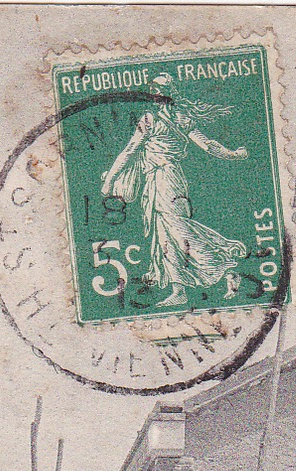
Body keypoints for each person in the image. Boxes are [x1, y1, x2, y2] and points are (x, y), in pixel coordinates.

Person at [100, 73, 251, 308]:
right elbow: (208, 145)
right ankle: (179, 289)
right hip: (165, 179)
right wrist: (232, 154)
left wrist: (109, 181)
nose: (155, 94)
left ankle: (224, 267)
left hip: (164, 179)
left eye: (157, 90)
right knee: (165, 235)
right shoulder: (179, 118)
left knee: (178, 231)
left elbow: (130, 151)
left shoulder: (159, 119)